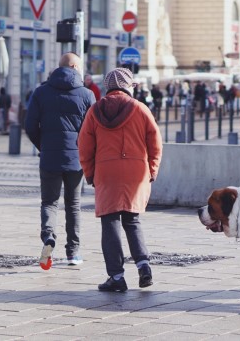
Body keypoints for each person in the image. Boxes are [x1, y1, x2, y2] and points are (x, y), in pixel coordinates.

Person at [78, 68, 163, 292]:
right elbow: (155, 142)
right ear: (128, 87)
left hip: (106, 172)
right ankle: (144, 267)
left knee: (110, 222)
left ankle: (116, 276)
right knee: (132, 220)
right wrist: (152, 170)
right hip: (136, 171)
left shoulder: (95, 111)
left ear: (107, 87)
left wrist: (89, 173)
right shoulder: (140, 109)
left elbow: (84, 146)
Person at [24, 52, 96, 270]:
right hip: (76, 159)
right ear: (74, 67)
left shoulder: (41, 92)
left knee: (49, 203)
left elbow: (29, 125)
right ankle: (73, 253)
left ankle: (48, 236)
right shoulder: (86, 95)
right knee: (73, 205)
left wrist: (43, 145)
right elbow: (92, 130)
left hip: (49, 157)